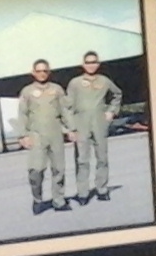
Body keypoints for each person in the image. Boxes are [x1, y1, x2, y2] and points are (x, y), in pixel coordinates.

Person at [17, 59, 74, 215]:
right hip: (36, 135)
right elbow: (22, 114)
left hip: (55, 133)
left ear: (49, 72)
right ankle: (37, 199)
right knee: (36, 170)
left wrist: (72, 128)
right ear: (33, 72)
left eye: (45, 71)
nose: (42, 74)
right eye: (38, 71)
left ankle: (59, 201)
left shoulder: (57, 89)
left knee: (59, 169)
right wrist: (23, 135)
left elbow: (65, 110)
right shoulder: (27, 91)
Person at [65, 50, 122, 204]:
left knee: (102, 158)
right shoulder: (75, 83)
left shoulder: (104, 81)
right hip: (81, 124)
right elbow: (67, 107)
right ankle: (82, 193)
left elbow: (117, 94)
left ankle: (102, 189)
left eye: (94, 62)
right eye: (88, 62)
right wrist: (70, 128)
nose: (91, 65)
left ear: (98, 64)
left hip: (99, 124)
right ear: (83, 64)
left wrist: (111, 111)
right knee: (82, 160)